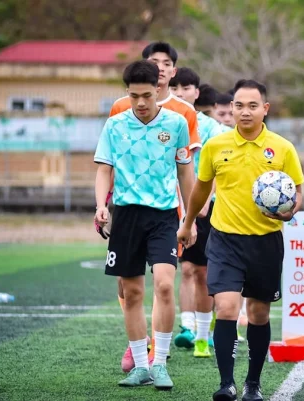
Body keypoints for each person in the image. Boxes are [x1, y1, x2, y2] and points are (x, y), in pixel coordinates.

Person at [178, 79, 304, 401]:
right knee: (226, 307)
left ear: (265, 108)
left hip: (266, 242)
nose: (244, 111)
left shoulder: (283, 148)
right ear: (231, 108)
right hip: (224, 239)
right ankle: (226, 384)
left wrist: (289, 211)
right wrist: (188, 224)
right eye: (238, 105)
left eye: (252, 106)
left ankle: (253, 383)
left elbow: (297, 192)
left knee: (259, 314)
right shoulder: (215, 146)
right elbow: (201, 190)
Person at [102, 41, 202, 373]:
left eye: (165, 62)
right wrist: (103, 205)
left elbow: (186, 170)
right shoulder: (117, 115)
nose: (141, 102)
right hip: (126, 212)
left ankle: (159, 358)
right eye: (135, 96)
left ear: (168, 77)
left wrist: (190, 217)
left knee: (164, 283)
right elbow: (107, 165)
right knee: (129, 288)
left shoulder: (180, 118)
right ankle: (139, 352)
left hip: (164, 213)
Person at [170, 68, 227, 356]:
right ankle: (187, 327)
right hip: (171, 205)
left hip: (205, 208)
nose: (180, 93)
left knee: (203, 271)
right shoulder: (161, 121)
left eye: (186, 87)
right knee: (185, 269)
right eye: (175, 87)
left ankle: (203, 338)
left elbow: (217, 166)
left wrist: (204, 201)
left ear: (196, 92)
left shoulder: (211, 127)